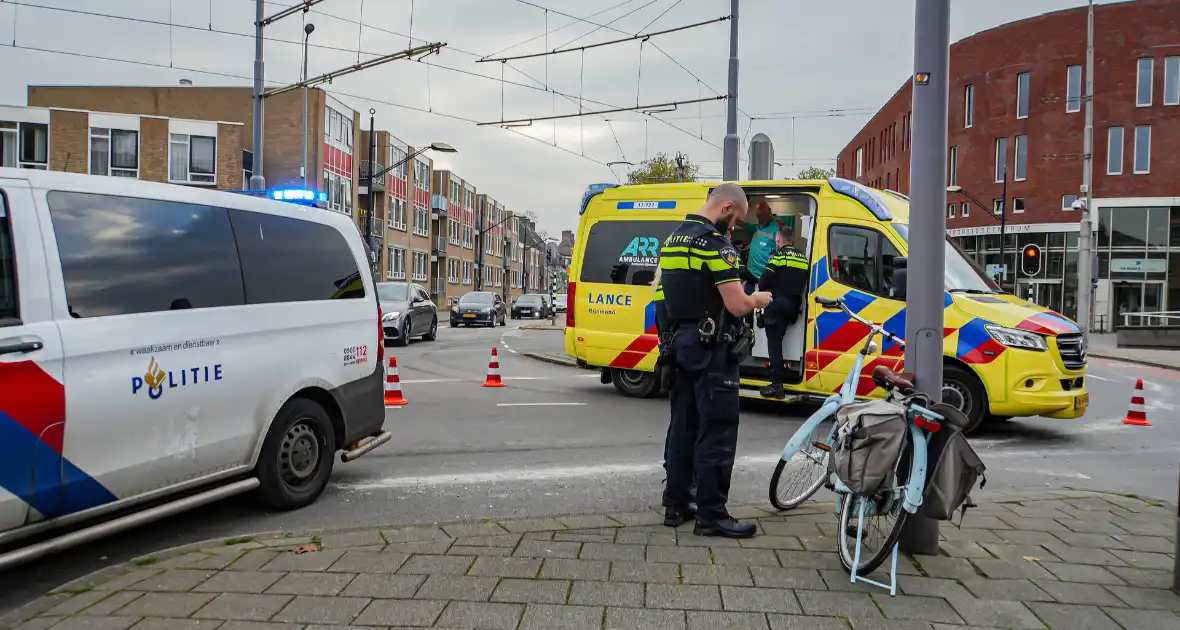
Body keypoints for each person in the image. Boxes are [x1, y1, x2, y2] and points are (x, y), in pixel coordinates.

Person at [659, 183, 773, 538]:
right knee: (717, 431)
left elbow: (661, 299)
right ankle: (712, 514)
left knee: (683, 427)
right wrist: (758, 299)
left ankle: (676, 503)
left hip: (679, 345)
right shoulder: (714, 245)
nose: (734, 228)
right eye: (736, 219)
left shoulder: (672, 241)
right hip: (712, 350)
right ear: (726, 208)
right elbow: (736, 304)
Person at [757, 224, 809, 399]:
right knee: (779, 343)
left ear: (778, 240)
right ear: (792, 240)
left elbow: (764, 282)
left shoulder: (778, 256)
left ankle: (776, 385)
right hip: (794, 306)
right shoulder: (803, 258)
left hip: (777, 306)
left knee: (774, 345)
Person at [739, 198, 790, 293]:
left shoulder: (777, 228)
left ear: (769, 212)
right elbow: (750, 227)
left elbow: (780, 254)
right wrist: (739, 222)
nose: (759, 218)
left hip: (763, 279)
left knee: (760, 306)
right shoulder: (759, 226)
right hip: (751, 275)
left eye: (762, 215)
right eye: (758, 216)